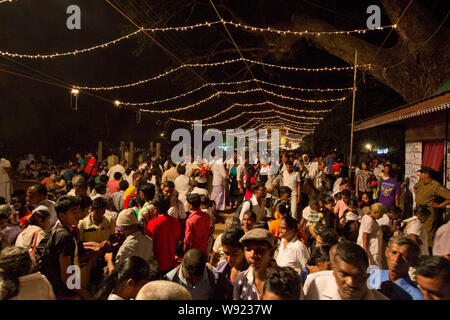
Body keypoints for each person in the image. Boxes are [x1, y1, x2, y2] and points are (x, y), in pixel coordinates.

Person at [37, 195, 93, 299]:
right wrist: (83, 293)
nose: (78, 215)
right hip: (64, 292)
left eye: (78, 211)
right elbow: (66, 276)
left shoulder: (63, 230)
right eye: (73, 212)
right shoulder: (65, 237)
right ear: (62, 216)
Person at [305, 241, 388, 300]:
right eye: (344, 274)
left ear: (367, 275)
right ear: (334, 271)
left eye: (358, 276)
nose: (351, 282)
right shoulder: (316, 286)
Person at [368, 234, 423, 300]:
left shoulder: (416, 295)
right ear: (386, 252)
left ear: (414, 261)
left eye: (404, 256)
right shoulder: (372, 276)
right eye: (394, 253)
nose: (396, 259)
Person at [233, 228, 277, 300]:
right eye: (248, 249)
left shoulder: (285, 280)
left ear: (271, 252)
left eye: (260, 250)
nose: (252, 255)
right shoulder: (242, 280)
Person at [106, 208, 154, 274]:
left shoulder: (126, 248)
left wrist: (109, 260)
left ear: (125, 228)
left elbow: (115, 275)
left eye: (120, 229)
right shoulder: (149, 241)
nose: (120, 233)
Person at [414, 166, 450, 251]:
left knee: (428, 234)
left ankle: (429, 252)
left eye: (422, 173)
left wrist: (439, 205)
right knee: (419, 231)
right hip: (419, 211)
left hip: (429, 211)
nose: (420, 174)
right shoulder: (421, 182)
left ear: (427, 174)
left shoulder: (435, 185)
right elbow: (415, 187)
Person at [146, 196, 180, 275]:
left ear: (156, 209)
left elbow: (149, 244)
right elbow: (177, 240)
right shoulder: (175, 221)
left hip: (157, 264)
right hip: (171, 262)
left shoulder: (152, 224)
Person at [213, 227, 249, 300]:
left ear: (244, 250)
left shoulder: (251, 273)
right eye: (226, 253)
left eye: (235, 254)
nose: (229, 259)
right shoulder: (221, 270)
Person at [357, 203, 384, 267]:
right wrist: (365, 251)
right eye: (380, 214)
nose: (381, 216)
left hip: (373, 249)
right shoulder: (369, 220)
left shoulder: (369, 219)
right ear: (375, 212)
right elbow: (365, 236)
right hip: (371, 250)